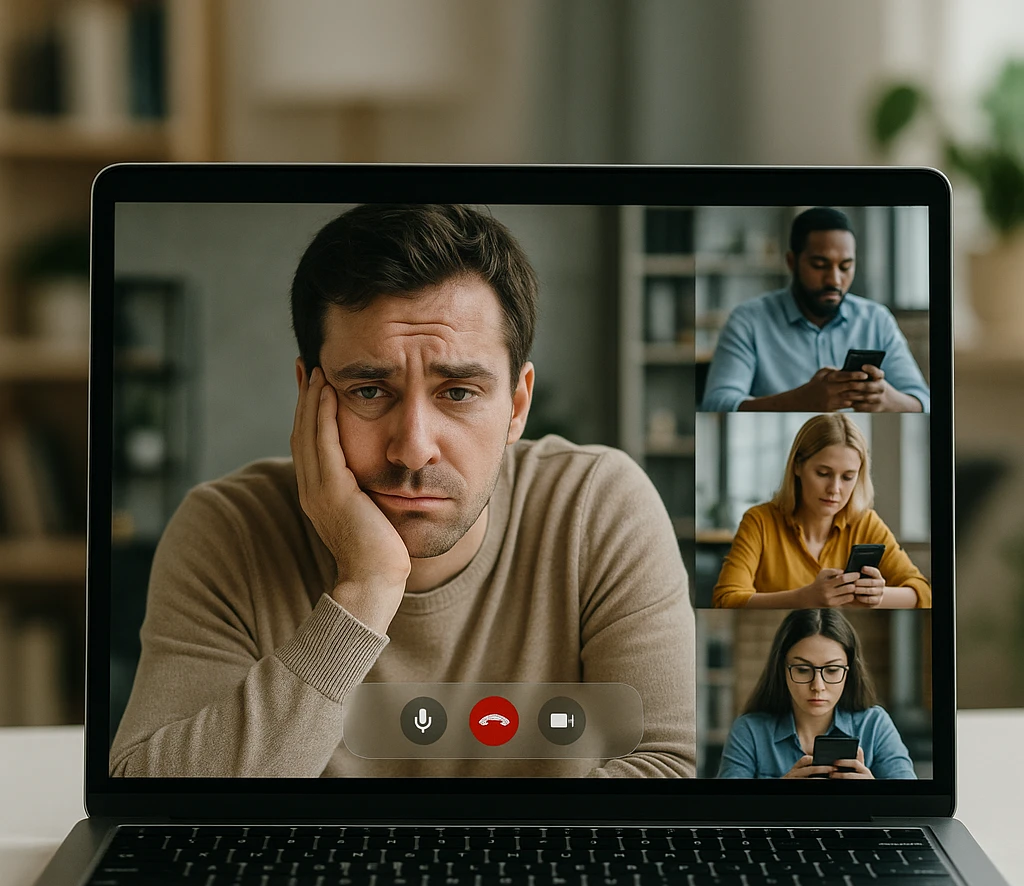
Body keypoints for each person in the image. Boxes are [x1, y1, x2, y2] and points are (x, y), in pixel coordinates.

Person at [110, 204, 695, 779]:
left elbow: (664, 771)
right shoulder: (227, 530)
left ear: (518, 406)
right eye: (369, 390)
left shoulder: (598, 507)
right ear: (309, 393)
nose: (414, 448)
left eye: (459, 392)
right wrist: (365, 587)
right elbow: (154, 796)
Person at [701, 207, 930, 413]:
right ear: (792, 262)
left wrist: (887, 399)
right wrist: (799, 402)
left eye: (845, 266)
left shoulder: (876, 320)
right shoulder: (748, 321)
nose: (834, 279)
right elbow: (716, 404)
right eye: (819, 265)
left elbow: (925, 404)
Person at [712, 413, 930, 609]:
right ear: (797, 466)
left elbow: (923, 592)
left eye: (847, 477)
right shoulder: (759, 521)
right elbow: (726, 599)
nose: (834, 489)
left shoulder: (866, 523)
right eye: (823, 473)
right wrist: (803, 599)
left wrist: (878, 596)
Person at [717, 609, 916, 779]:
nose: (818, 686)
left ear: (850, 672)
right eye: (803, 670)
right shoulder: (750, 731)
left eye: (832, 670)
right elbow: (723, 811)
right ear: (782, 670)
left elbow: (912, 807)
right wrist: (778, 795)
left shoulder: (874, 725)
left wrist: (873, 793)